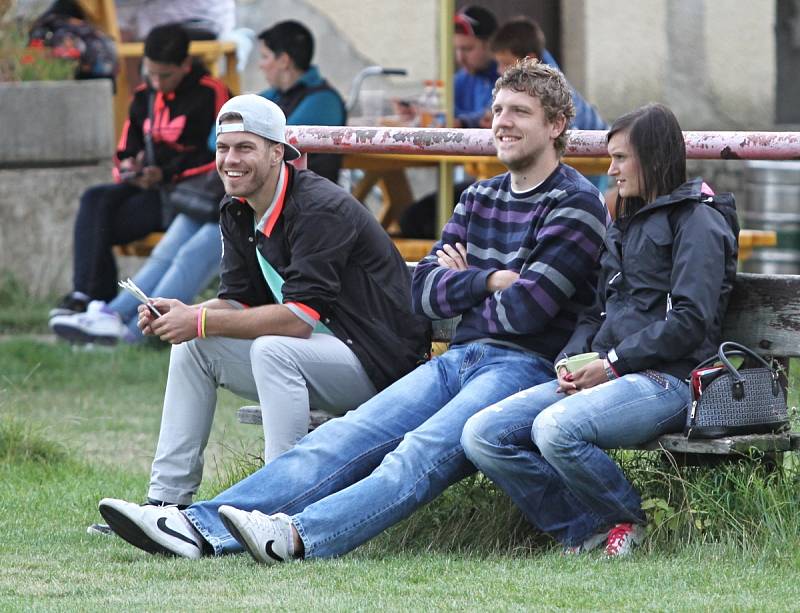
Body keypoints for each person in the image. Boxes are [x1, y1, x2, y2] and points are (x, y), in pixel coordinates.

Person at [97, 60, 609, 563]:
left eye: (519, 112)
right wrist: (490, 280)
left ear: (557, 125)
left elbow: (527, 311)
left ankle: (297, 535)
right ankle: (190, 523)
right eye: (498, 109)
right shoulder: (478, 196)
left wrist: (465, 281)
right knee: (341, 438)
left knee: (417, 452)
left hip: (523, 368)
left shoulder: (576, 202)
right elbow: (426, 292)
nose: (502, 122)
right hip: (460, 358)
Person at [94, 93, 429, 528]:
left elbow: (297, 320)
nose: (231, 160)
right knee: (196, 347)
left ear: (277, 153)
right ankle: (165, 506)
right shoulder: (237, 209)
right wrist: (184, 313)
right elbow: (238, 300)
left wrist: (198, 319)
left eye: (245, 148)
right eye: (223, 148)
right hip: (321, 358)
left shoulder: (318, 208)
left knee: (273, 348)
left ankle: (279, 506)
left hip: (379, 366)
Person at [461, 103, 739, 558]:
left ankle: (628, 520)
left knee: (554, 429)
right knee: (482, 434)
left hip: (669, 379)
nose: (611, 170)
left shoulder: (699, 221)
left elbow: (689, 322)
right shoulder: (625, 222)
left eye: (621, 158)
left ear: (654, 157)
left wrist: (612, 365)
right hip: (611, 374)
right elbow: (595, 312)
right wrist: (570, 360)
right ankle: (585, 530)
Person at [49, 23, 229, 319]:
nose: (157, 82)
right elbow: (125, 148)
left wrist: (167, 173)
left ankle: (107, 310)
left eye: (165, 75)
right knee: (95, 200)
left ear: (185, 65)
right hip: (148, 189)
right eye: (151, 73)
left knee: (102, 227)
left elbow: (218, 154)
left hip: (185, 196)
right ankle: (88, 298)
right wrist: (129, 167)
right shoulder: (144, 94)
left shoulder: (212, 94)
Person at [252, 20, 346, 183]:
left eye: (265, 57)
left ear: (284, 61)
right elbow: (219, 134)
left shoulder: (324, 102)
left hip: (308, 199)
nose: (260, 65)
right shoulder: (275, 94)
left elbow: (278, 144)